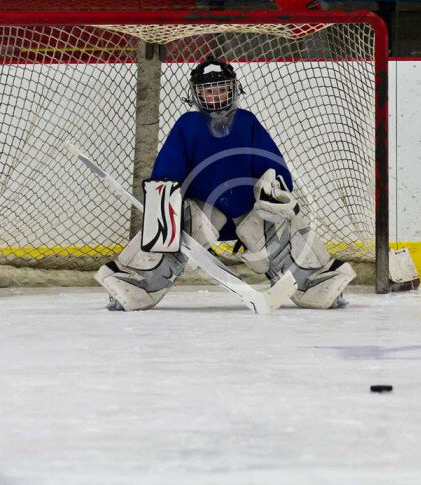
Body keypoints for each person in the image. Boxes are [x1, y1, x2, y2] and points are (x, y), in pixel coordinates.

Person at [96, 57, 356, 311]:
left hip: (249, 210)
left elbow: (272, 163)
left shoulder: (246, 121)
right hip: (202, 209)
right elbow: (168, 167)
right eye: (208, 91)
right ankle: (135, 285)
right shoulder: (187, 124)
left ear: (234, 89)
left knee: (280, 228)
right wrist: (164, 203)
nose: (216, 96)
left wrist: (274, 189)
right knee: (167, 228)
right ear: (196, 95)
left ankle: (316, 285)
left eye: (222, 89)